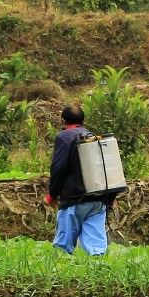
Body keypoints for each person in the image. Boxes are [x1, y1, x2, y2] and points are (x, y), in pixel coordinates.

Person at [46, 103, 112, 255]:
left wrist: (52, 194)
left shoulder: (64, 137)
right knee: (96, 245)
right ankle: (98, 271)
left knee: (64, 245)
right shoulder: (94, 138)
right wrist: (110, 197)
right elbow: (106, 167)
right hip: (98, 198)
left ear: (63, 121)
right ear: (84, 120)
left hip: (74, 197)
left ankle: (61, 269)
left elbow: (59, 168)